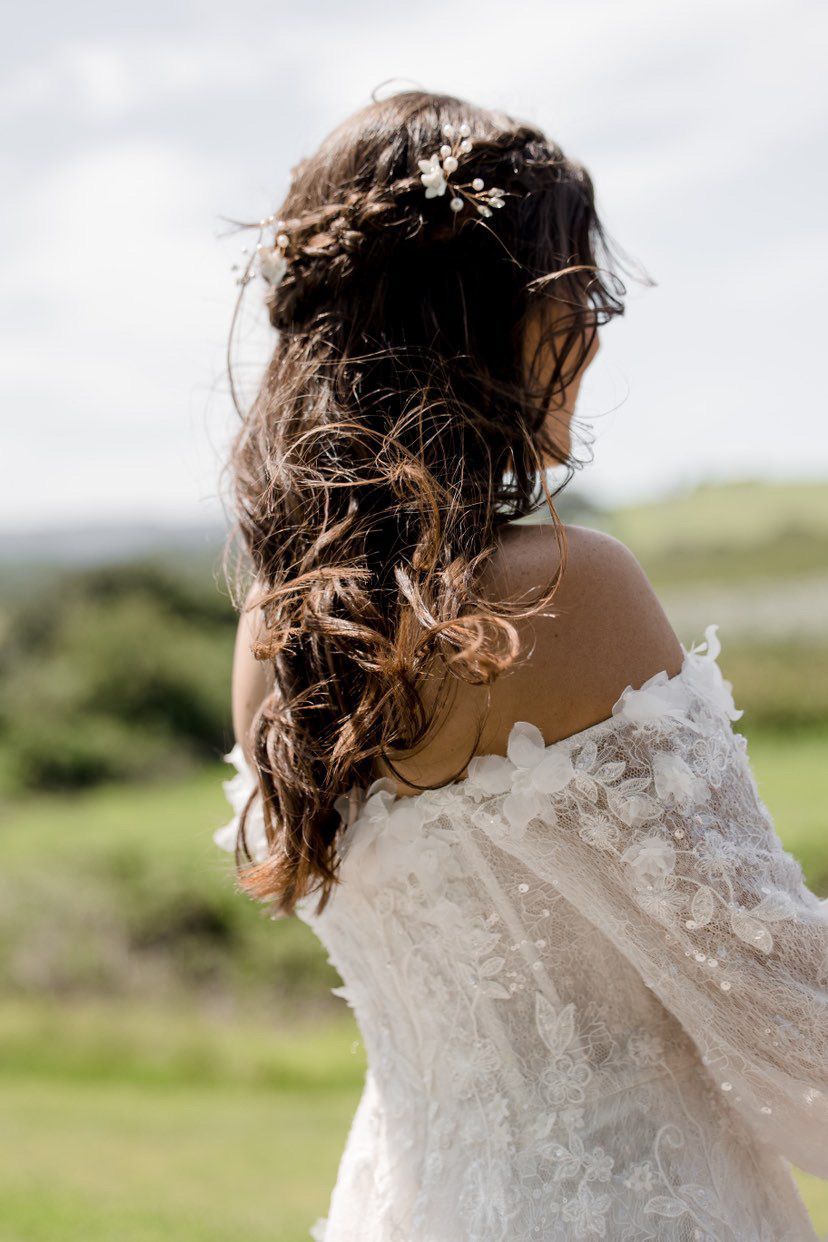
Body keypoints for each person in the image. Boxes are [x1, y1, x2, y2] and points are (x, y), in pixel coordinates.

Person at [217, 90, 828, 1240]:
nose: (594, 331)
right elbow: (787, 1011)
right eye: (576, 293)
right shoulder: (566, 591)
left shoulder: (272, 635)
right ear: (475, 313)